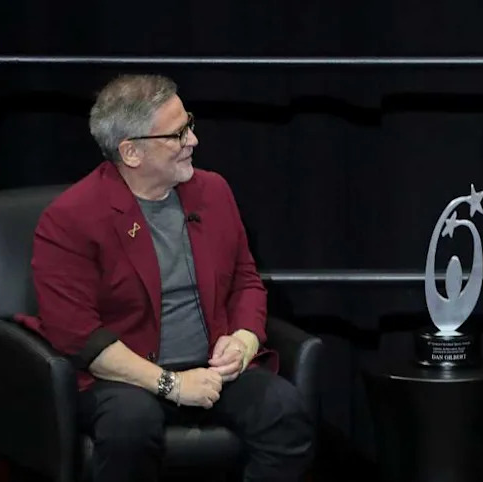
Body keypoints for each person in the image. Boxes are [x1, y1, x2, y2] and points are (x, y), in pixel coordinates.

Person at [17, 74, 314, 482]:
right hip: (124, 378)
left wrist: (244, 340)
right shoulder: (71, 218)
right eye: (178, 134)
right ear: (132, 152)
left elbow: (245, 279)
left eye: (188, 123)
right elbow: (78, 334)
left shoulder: (213, 191)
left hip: (210, 367)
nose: (193, 140)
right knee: (130, 426)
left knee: (283, 410)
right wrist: (172, 384)